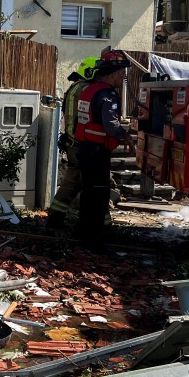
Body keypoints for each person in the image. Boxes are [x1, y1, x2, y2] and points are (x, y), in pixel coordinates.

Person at [72, 50, 134, 246]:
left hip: (84, 149)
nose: (123, 77)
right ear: (114, 73)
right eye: (122, 73)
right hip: (96, 152)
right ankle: (93, 239)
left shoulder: (88, 90)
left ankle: (83, 233)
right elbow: (111, 125)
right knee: (98, 195)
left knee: (89, 193)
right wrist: (126, 136)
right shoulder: (106, 94)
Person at [47, 56, 99, 230]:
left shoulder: (76, 87)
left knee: (74, 182)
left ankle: (55, 218)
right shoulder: (86, 90)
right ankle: (98, 225)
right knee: (92, 184)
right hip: (79, 144)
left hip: (72, 143)